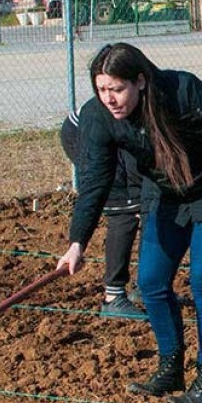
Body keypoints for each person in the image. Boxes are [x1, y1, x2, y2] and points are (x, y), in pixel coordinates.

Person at [58, 43, 202, 403]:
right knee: (151, 282)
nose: (109, 98)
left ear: (140, 81)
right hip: (164, 192)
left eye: (117, 89)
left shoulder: (182, 91)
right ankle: (171, 365)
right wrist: (77, 241)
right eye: (101, 89)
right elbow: (95, 181)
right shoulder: (98, 117)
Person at [60, 108, 146, 319]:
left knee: (151, 207)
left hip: (123, 136)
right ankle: (113, 297)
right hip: (85, 132)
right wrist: (77, 244)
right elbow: (94, 189)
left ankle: (147, 287)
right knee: (124, 211)